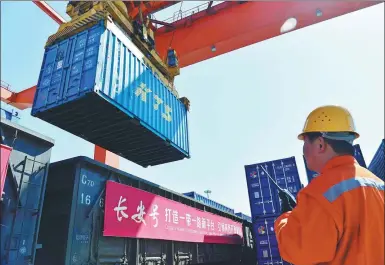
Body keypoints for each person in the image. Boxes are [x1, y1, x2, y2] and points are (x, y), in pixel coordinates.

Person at [274, 105, 384, 265]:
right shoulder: (379, 185)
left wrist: (285, 216)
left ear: (320, 144)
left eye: (305, 142)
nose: (304, 151)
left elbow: (298, 252)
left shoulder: (320, 192)